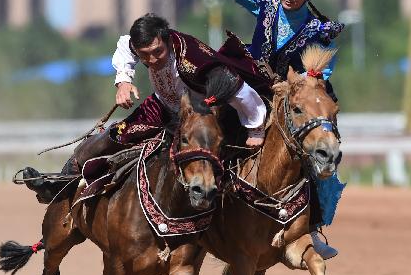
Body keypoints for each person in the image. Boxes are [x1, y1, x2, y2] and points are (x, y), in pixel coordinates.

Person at [176, 0, 344, 259]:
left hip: (290, 96)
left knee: (323, 151)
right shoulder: (265, 1)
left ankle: (312, 227)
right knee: (207, 124)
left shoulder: (318, 30)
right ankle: (188, 202)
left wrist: (301, 85)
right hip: (248, 81)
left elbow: (321, 75)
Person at [23, 13, 266, 203]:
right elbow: (123, 47)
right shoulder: (138, 45)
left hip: (202, 115)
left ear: (168, 40)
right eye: (144, 55)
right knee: (114, 134)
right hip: (162, 107)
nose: (151, 60)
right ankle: (59, 186)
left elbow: (239, 90)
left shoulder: (193, 59)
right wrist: (124, 81)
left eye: (157, 52)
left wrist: (255, 129)